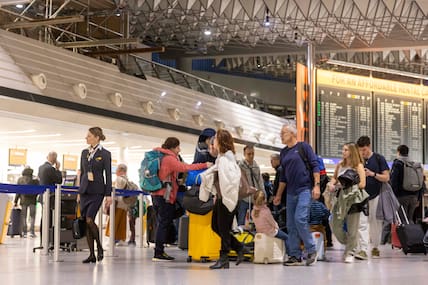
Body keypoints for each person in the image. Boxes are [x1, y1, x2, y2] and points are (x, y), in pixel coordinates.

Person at [151, 137, 210, 261]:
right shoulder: (169, 159)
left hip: (157, 194)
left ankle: (159, 250)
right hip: (164, 195)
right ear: (172, 147)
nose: (179, 150)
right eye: (178, 147)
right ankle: (158, 252)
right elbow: (186, 168)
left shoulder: (162, 156)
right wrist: (205, 165)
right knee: (164, 222)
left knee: (164, 221)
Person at [273, 123, 319, 266]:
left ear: (292, 134)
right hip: (290, 192)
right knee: (291, 224)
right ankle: (295, 255)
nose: (281, 135)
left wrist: (316, 186)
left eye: (283, 133)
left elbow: (315, 166)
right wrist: (278, 195)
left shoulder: (303, 147)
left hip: (304, 189)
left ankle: (311, 249)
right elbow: (283, 177)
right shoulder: (284, 153)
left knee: (300, 219)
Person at [200, 129, 244, 269]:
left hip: (226, 198)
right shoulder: (222, 158)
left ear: (221, 141)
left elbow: (229, 180)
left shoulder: (226, 159)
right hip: (221, 197)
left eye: (216, 139)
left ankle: (224, 258)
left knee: (223, 228)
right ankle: (239, 247)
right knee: (216, 226)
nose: (214, 141)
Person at [327, 143, 366, 263]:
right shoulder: (340, 165)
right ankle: (351, 243)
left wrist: (349, 186)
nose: (343, 152)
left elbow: (363, 184)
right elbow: (334, 178)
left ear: (351, 152)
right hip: (339, 199)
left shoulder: (358, 166)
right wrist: (331, 184)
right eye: (343, 149)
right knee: (334, 224)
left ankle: (350, 251)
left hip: (353, 199)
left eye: (345, 150)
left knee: (353, 227)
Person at [79, 127, 113, 264]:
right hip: (84, 191)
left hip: (97, 190)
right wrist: (78, 191)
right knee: (86, 222)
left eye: (89, 136)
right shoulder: (84, 152)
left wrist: (108, 194)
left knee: (89, 219)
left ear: (97, 137)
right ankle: (92, 254)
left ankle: (99, 246)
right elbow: (82, 172)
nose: (86, 138)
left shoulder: (105, 154)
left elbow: (108, 175)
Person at [356, 136, 389, 258]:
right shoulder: (358, 160)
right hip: (361, 196)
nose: (362, 153)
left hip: (376, 195)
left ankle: (375, 247)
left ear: (369, 146)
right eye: (360, 150)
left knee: (375, 222)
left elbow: (386, 178)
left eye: (364, 150)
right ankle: (362, 249)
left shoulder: (379, 158)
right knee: (361, 223)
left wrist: (372, 174)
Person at [390, 145, 423, 222]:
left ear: (398, 152)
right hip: (414, 197)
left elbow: (393, 181)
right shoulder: (415, 165)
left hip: (401, 197)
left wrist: (393, 196)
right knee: (410, 219)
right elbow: (421, 182)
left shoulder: (398, 163)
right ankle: (413, 233)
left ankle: (405, 234)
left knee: (402, 221)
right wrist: (418, 198)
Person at [252, 190, 290, 256]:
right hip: (270, 232)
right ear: (264, 200)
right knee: (287, 237)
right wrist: (277, 227)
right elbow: (273, 223)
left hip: (260, 232)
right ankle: (290, 254)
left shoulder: (253, 211)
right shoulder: (266, 211)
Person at [237, 145, 265, 226]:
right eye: (249, 154)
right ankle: (239, 235)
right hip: (244, 198)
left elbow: (260, 181)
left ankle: (254, 236)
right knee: (241, 219)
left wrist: (263, 195)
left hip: (256, 198)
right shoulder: (240, 166)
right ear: (244, 154)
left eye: (253, 153)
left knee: (256, 220)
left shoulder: (256, 166)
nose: (251, 156)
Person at [105, 163, 128, 245]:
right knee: (122, 222)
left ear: (121, 170)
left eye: (117, 169)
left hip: (117, 203)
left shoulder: (118, 179)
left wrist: (109, 202)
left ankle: (112, 239)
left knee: (113, 221)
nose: (116, 171)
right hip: (124, 204)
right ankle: (121, 239)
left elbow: (116, 191)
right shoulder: (126, 179)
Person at [14, 167, 39, 238]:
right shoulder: (35, 180)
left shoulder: (20, 179)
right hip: (33, 201)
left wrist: (15, 201)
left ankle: (24, 232)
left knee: (23, 217)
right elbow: (38, 191)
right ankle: (32, 232)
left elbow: (18, 192)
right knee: (32, 217)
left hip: (23, 201)